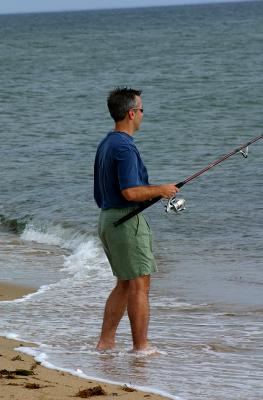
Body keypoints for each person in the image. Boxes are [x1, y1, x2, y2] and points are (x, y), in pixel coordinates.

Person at [94, 87, 178, 352]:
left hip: (108, 219)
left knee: (125, 282)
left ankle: (105, 344)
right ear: (131, 113)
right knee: (140, 283)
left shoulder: (108, 143)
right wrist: (161, 190)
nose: (142, 114)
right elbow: (130, 192)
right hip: (125, 222)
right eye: (141, 110)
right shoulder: (125, 147)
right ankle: (141, 347)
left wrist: (152, 192)